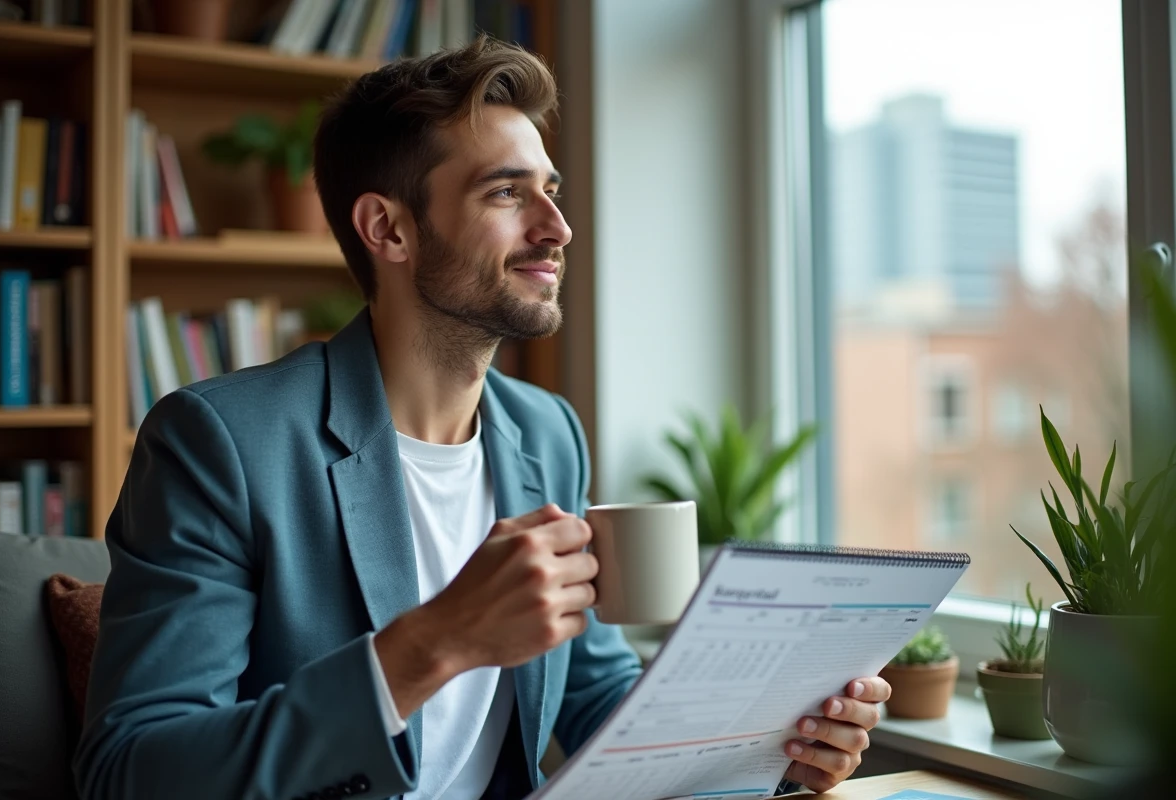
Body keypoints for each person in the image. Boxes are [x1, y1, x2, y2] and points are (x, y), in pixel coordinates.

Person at [74, 36, 889, 800]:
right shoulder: (220, 442)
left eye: (552, 192)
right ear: (387, 228)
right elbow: (129, 768)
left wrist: (769, 747)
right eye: (506, 192)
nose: (557, 228)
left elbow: (594, 689)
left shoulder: (546, 434)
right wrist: (431, 645)